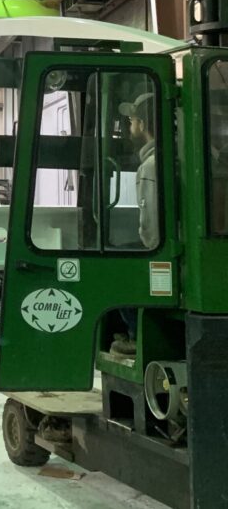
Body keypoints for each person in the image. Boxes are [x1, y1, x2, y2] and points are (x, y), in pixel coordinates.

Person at [111, 92, 159, 357]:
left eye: (131, 121)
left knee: (118, 261)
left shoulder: (151, 167)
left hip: (161, 249)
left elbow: (151, 223)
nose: (130, 127)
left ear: (141, 124)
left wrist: (152, 255)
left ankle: (134, 335)